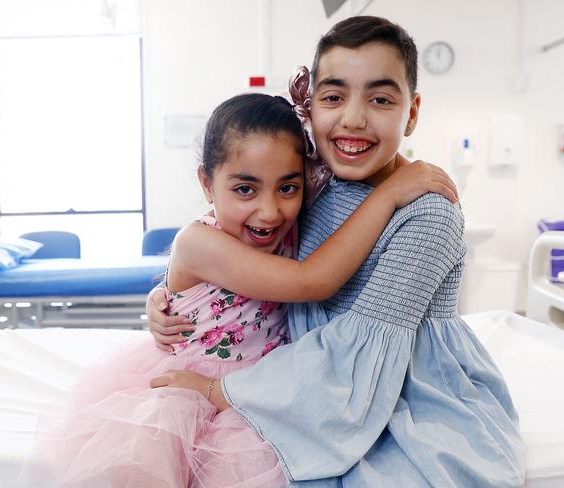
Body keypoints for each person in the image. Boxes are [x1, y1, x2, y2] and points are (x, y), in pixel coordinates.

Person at [149, 16, 525, 487]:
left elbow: (355, 355)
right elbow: (237, 250)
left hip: (384, 390)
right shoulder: (315, 180)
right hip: (302, 374)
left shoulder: (429, 216)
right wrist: (169, 295)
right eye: (333, 97)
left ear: (412, 113)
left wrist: (218, 390)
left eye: (381, 99)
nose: (352, 118)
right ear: (311, 109)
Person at [29, 92, 456, 488]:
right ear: (205, 182)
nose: (269, 212)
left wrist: (391, 163)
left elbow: (347, 157)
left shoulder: (288, 216)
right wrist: (389, 196)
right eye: (244, 188)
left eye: (288, 187)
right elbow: (312, 281)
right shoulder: (198, 242)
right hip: (191, 390)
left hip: (260, 389)